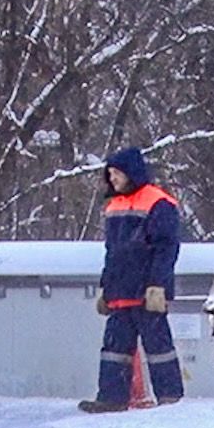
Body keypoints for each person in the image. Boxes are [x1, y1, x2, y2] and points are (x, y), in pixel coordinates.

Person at [79, 147, 183, 413]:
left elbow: (166, 248)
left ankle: (170, 399)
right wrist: (106, 288)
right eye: (110, 174)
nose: (112, 179)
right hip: (120, 292)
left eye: (115, 174)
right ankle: (111, 398)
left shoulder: (159, 202)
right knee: (114, 349)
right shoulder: (114, 206)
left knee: (158, 346)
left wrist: (157, 285)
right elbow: (112, 253)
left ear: (130, 172)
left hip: (147, 291)